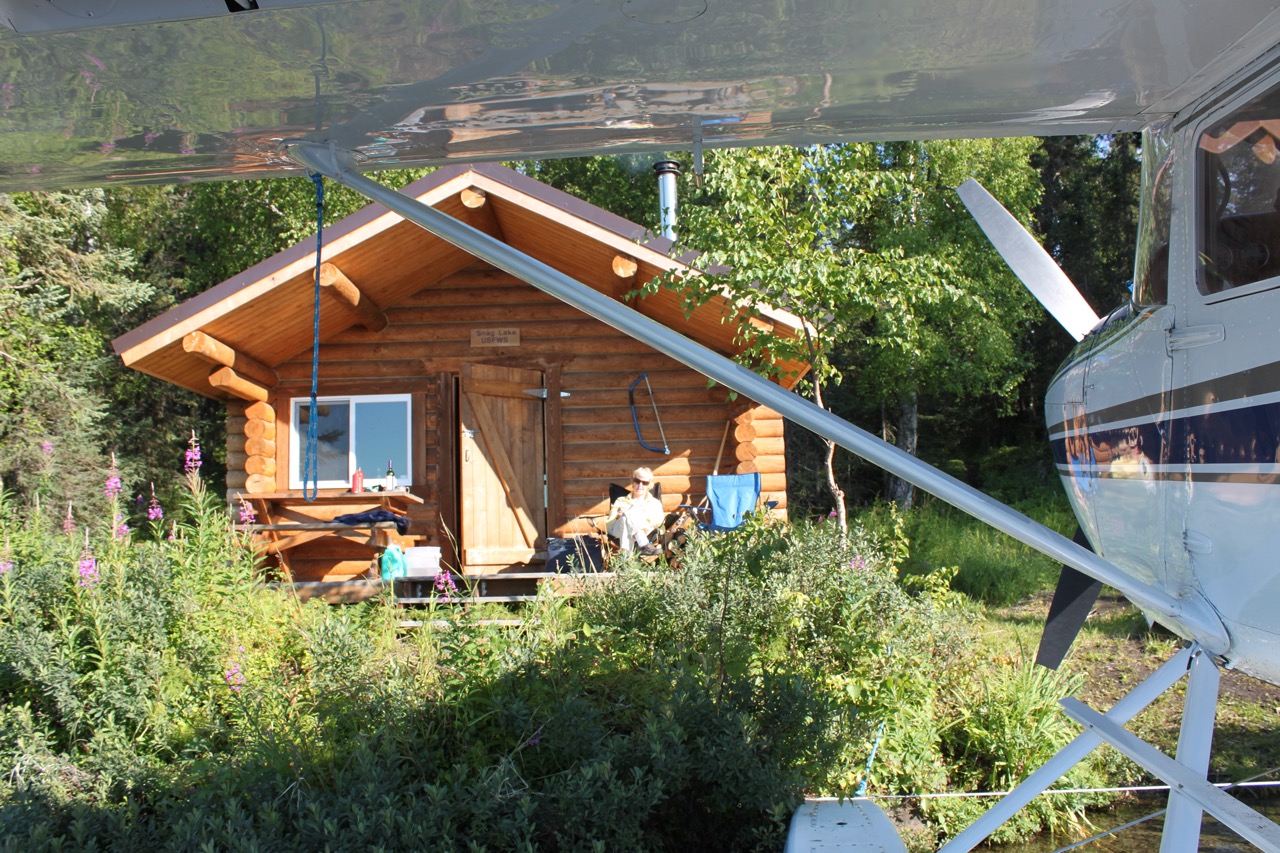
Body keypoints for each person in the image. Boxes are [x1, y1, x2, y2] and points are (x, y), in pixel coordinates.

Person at [606, 467, 666, 556]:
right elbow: (610, 522)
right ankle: (644, 545)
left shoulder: (654, 503)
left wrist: (640, 519)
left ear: (649, 485)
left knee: (627, 518)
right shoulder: (621, 500)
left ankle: (626, 558)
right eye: (637, 481)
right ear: (632, 482)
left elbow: (659, 522)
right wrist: (619, 515)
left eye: (645, 483)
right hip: (617, 530)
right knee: (627, 515)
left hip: (647, 531)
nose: (640, 485)